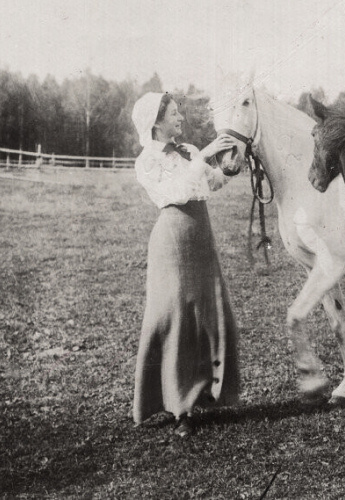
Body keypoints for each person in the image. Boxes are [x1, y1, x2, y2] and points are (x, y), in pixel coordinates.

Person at [130, 91, 240, 437]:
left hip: (201, 240)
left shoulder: (189, 151)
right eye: (174, 114)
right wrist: (203, 156)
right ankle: (179, 408)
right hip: (172, 242)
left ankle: (206, 394)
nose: (180, 118)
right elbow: (173, 193)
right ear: (156, 121)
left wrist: (228, 167)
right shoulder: (146, 160)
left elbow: (208, 184)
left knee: (208, 314)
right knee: (174, 317)